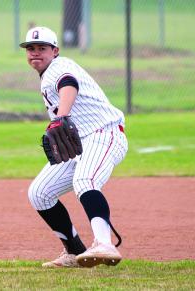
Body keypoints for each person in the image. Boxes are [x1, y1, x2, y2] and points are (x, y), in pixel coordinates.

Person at [20, 26, 128, 268]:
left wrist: (60, 117)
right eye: (30, 48)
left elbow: (68, 84)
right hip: (81, 142)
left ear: (55, 50)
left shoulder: (58, 68)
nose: (35, 53)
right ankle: (75, 251)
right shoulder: (48, 73)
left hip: (104, 133)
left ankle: (104, 244)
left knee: (85, 180)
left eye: (42, 48)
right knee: (40, 193)